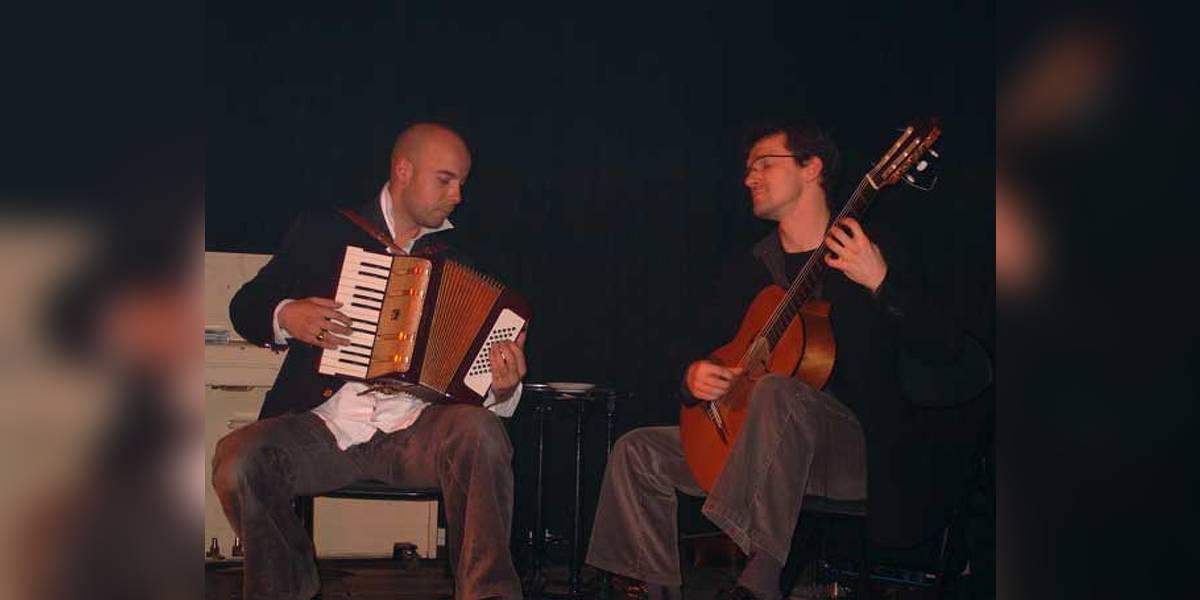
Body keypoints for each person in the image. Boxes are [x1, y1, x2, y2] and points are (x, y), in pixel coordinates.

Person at [585, 119, 970, 600]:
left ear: (812, 168)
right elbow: (688, 345)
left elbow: (948, 350)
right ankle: (656, 590)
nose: (750, 177)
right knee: (639, 451)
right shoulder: (751, 268)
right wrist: (691, 373)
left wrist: (881, 282)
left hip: (853, 454)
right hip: (756, 447)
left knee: (776, 390)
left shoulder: (872, 250)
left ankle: (759, 581)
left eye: (764, 163)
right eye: (748, 167)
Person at [213, 123, 528, 600]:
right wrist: (287, 315)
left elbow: (476, 383)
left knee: (481, 431)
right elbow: (246, 306)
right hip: (325, 425)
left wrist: (503, 387)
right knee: (238, 460)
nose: (458, 195)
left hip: (416, 433)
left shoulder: (464, 257)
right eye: (445, 180)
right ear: (403, 170)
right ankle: (287, 590)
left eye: (462, 182)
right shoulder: (323, 231)